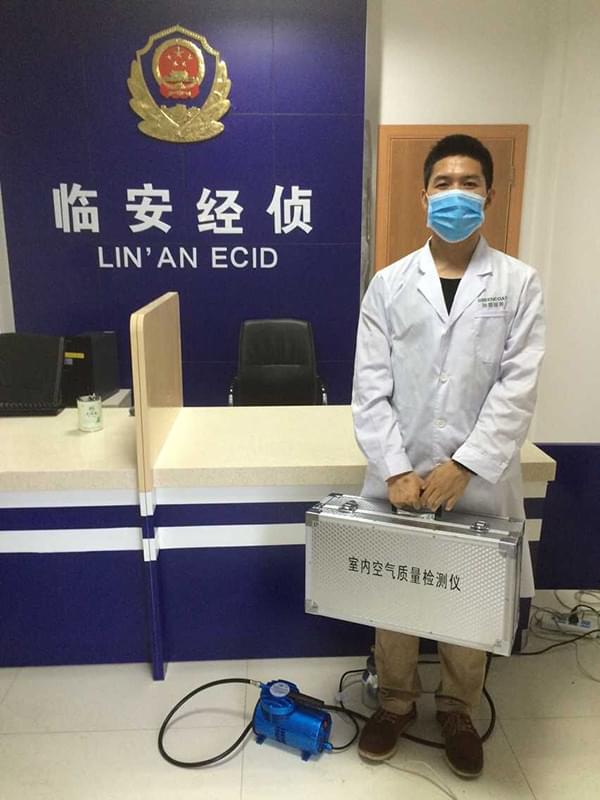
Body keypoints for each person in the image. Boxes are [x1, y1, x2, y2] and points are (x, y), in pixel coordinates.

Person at [351, 134, 545, 778]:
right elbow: (369, 387)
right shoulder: (388, 284)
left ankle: (459, 708)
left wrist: (466, 465)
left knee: (469, 593)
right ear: (423, 195)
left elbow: (517, 387)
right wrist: (396, 468)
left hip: (477, 480)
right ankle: (395, 701)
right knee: (396, 591)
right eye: (443, 183)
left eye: (469, 183)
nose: (455, 194)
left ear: (489, 195)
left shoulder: (518, 283)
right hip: (400, 474)